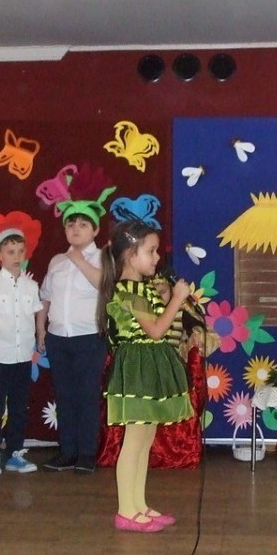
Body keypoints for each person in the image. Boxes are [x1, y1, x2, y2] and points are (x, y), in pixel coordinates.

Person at [100, 220, 193, 532]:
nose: (157, 257)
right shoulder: (128, 290)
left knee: (145, 439)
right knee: (134, 440)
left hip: (149, 364)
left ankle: (138, 504)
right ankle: (126, 511)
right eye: (151, 251)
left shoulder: (142, 289)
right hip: (137, 367)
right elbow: (155, 331)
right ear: (130, 254)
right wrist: (177, 300)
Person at [36, 186, 116, 474]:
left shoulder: (103, 257)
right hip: (58, 339)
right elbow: (45, 297)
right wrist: (41, 329)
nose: (76, 229)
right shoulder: (56, 261)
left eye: (83, 224)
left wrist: (79, 260)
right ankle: (67, 451)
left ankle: (86, 454)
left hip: (89, 338)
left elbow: (103, 285)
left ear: (95, 231)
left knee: (87, 396)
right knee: (65, 396)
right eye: (71, 224)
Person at [0, 211, 42, 476]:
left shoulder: (31, 286)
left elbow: (35, 314)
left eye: (20, 251)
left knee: (19, 408)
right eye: (10, 252)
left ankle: (15, 453)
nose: (16, 256)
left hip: (22, 356)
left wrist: (38, 337)